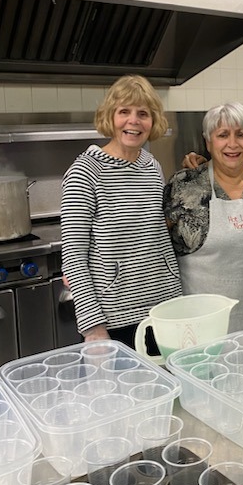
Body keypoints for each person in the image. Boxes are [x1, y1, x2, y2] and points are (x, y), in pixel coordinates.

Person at [61, 75, 181, 347]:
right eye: (124, 111)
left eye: (143, 113)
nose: (133, 121)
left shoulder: (152, 165)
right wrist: (93, 327)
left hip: (165, 309)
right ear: (109, 116)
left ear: (153, 121)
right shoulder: (85, 172)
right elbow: (73, 257)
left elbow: (154, 232)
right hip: (116, 319)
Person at [164, 103, 243, 331]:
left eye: (241, 135)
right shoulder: (184, 186)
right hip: (200, 327)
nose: (232, 144)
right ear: (208, 142)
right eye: (223, 135)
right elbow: (158, 247)